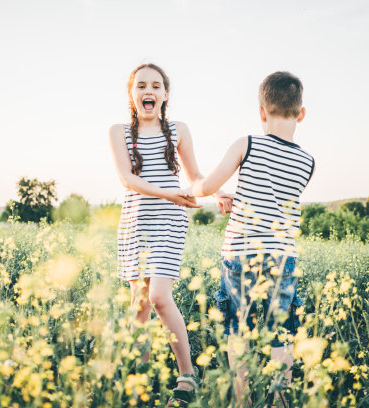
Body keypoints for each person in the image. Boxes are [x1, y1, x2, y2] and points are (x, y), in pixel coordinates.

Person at [185, 71, 315, 407]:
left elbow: (209, 185)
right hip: (282, 254)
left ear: (261, 112)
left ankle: (241, 402)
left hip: (241, 252)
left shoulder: (248, 143)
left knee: (237, 331)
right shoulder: (308, 161)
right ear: (301, 113)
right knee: (281, 331)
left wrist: (198, 191)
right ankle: (281, 402)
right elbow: (275, 199)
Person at [108, 63, 232, 407]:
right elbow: (127, 180)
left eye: (156, 86)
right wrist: (172, 193)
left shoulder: (178, 130)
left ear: (165, 94)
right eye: (141, 86)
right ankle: (141, 380)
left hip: (169, 220)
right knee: (140, 305)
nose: (149, 91)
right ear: (132, 94)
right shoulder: (118, 131)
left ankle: (187, 377)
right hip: (135, 221)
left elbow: (194, 176)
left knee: (160, 297)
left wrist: (216, 192)